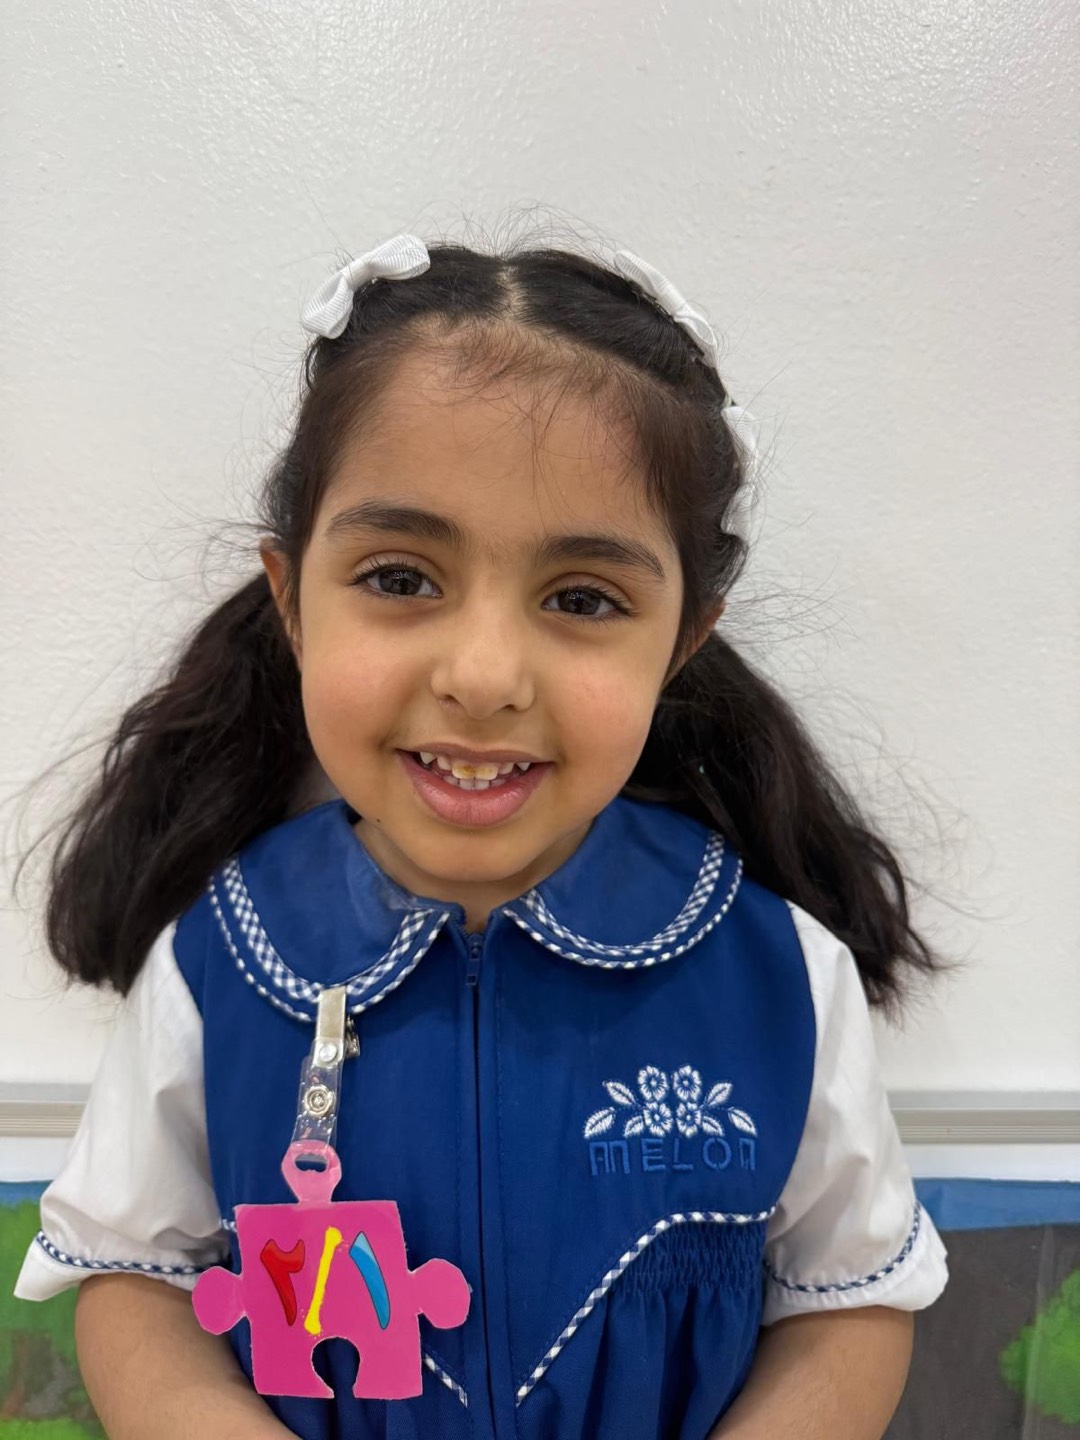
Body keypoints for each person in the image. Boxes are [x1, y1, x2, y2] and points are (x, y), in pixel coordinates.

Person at [13, 230, 951, 1440]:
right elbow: (133, 1278)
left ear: (684, 641)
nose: (484, 675)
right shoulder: (219, 961)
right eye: (401, 578)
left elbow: (847, 1300)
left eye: (583, 599)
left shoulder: (778, 976)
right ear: (292, 600)